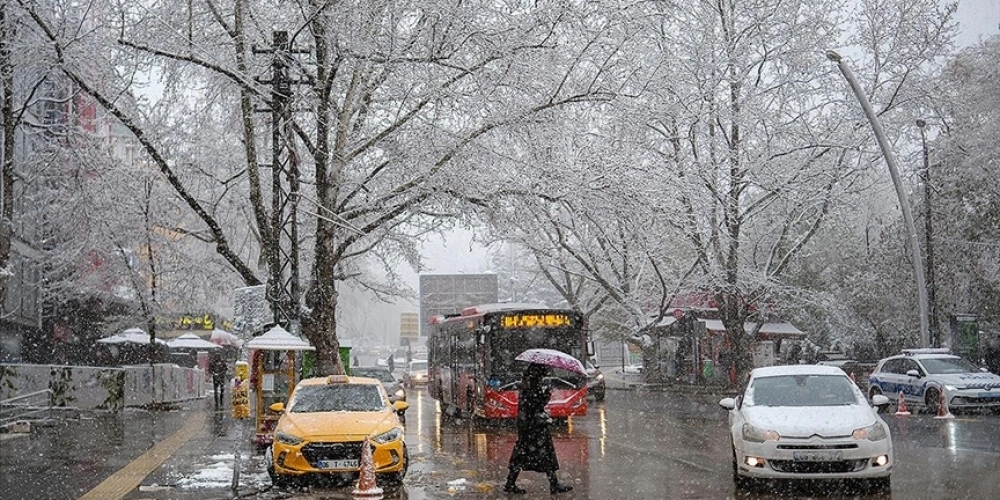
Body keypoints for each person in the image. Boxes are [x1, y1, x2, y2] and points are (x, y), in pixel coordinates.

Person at [503, 363, 573, 495]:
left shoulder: (527, 383)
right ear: (538, 373)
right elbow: (535, 405)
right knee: (544, 453)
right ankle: (554, 484)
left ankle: (510, 483)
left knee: (523, 454)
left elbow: (529, 405)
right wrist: (546, 395)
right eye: (543, 374)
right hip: (534, 426)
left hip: (528, 426)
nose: (543, 377)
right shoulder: (532, 385)